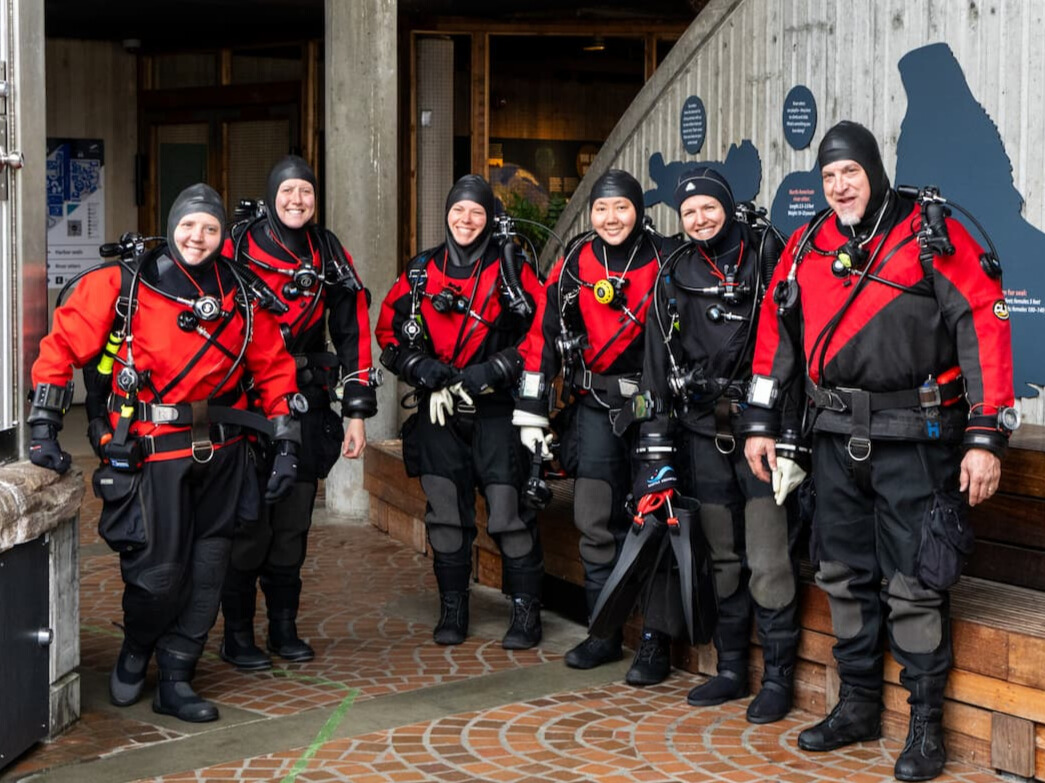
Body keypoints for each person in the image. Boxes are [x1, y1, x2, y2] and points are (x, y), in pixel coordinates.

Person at [743, 121, 1015, 780]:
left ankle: (925, 724)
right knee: (841, 575)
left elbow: (983, 322)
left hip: (916, 441)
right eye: (828, 176)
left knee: (914, 584)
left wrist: (985, 437)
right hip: (833, 440)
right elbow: (775, 335)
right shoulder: (806, 244)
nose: (839, 186)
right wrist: (759, 420)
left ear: (873, 169)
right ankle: (858, 706)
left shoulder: (929, 234)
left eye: (850, 173)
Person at [29, 183, 300, 722]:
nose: (198, 237)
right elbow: (61, 347)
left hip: (224, 454)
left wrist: (287, 441)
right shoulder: (124, 285)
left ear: (222, 236)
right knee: (156, 579)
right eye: (189, 225)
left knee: (208, 574)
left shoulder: (241, 294)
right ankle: (137, 646)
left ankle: (177, 677)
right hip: (152, 455)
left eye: (211, 228)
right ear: (173, 225)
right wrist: (43, 426)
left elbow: (273, 368)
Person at [635, 166, 800, 720]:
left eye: (709, 207)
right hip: (702, 433)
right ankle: (731, 669)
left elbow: (793, 346)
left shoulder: (766, 254)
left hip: (761, 433)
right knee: (723, 557)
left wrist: (788, 432)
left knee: (769, 557)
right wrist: (656, 447)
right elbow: (656, 364)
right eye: (689, 212)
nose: (700, 219)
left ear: (728, 205)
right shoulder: (674, 272)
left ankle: (777, 678)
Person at [514, 169, 672, 684]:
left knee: (657, 522)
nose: (611, 217)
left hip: (656, 411)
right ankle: (603, 633)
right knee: (594, 519)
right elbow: (542, 337)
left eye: (621, 207)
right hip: (595, 408)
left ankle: (654, 643)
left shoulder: (666, 257)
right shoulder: (575, 262)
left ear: (638, 210)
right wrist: (532, 408)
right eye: (601, 208)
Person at [219, 155, 377, 670]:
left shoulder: (327, 251)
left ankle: (283, 627)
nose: (297, 200)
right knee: (248, 523)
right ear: (272, 195)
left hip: (305, 401)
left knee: (291, 524)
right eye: (287, 191)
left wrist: (356, 411)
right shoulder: (236, 245)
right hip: (245, 405)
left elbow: (353, 328)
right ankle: (237, 634)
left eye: (305, 191)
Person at [376, 174, 545, 650]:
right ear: (446, 214)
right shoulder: (420, 272)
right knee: (445, 513)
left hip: (498, 409)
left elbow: (543, 330)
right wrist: (421, 369)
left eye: (476, 212)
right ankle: (453, 607)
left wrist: (496, 368)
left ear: (489, 218)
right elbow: (388, 332)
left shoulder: (512, 268)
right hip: (439, 409)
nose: (466, 220)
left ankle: (526, 611)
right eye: (458, 210)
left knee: (509, 514)